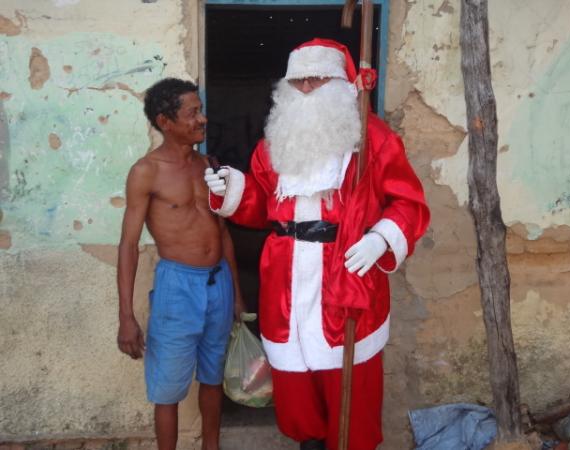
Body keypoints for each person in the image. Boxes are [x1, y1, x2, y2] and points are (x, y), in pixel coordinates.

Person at [204, 39, 430, 450]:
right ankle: (308, 442)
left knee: (351, 395)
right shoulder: (273, 143)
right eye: (299, 80)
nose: (306, 88)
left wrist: (381, 238)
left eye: (317, 78)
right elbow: (260, 206)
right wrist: (232, 188)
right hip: (285, 279)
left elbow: (408, 203)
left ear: (343, 83)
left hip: (346, 274)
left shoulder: (373, 140)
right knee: (295, 386)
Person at [117, 78, 244, 450]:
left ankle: (211, 447)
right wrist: (126, 315)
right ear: (165, 121)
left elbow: (223, 234)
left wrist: (235, 292)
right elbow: (128, 244)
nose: (202, 119)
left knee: (212, 377)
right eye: (192, 113)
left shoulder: (209, 165)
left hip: (217, 283)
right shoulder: (147, 171)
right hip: (177, 287)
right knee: (168, 388)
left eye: (200, 110)